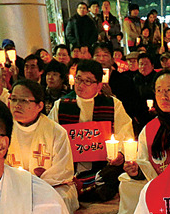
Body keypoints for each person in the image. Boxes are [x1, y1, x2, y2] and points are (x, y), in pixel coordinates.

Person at [48, 59, 134, 202]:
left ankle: (90, 185)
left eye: (88, 81)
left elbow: (125, 133)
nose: (81, 85)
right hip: (71, 168)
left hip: (103, 167)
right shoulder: (61, 105)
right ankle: (85, 186)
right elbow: (50, 135)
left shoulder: (113, 104)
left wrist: (119, 154)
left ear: (99, 85)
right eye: (78, 79)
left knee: (114, 174)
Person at [7, 80, 78, 214]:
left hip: (51, 186)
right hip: (13, 186)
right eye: (14, 99)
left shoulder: (56, 132)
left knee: (58, 200)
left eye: (24, 101)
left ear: (40, 105)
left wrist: (32, 186)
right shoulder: (4, 130)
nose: (17, 105)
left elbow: (62, 170)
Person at [117, 71, 170, 214]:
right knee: (126, 183)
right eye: (159, 90)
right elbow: (144, 162)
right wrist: (135, 170)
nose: (163, 96)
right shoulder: (150, 129)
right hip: (160, 182)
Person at [92, 41, 148, 133]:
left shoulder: (124, 80)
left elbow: (134, 107)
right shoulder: (88, 80)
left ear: (112, 59)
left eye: (105, 55)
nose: (101, 59)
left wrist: (112, 97)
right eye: (97, 55)